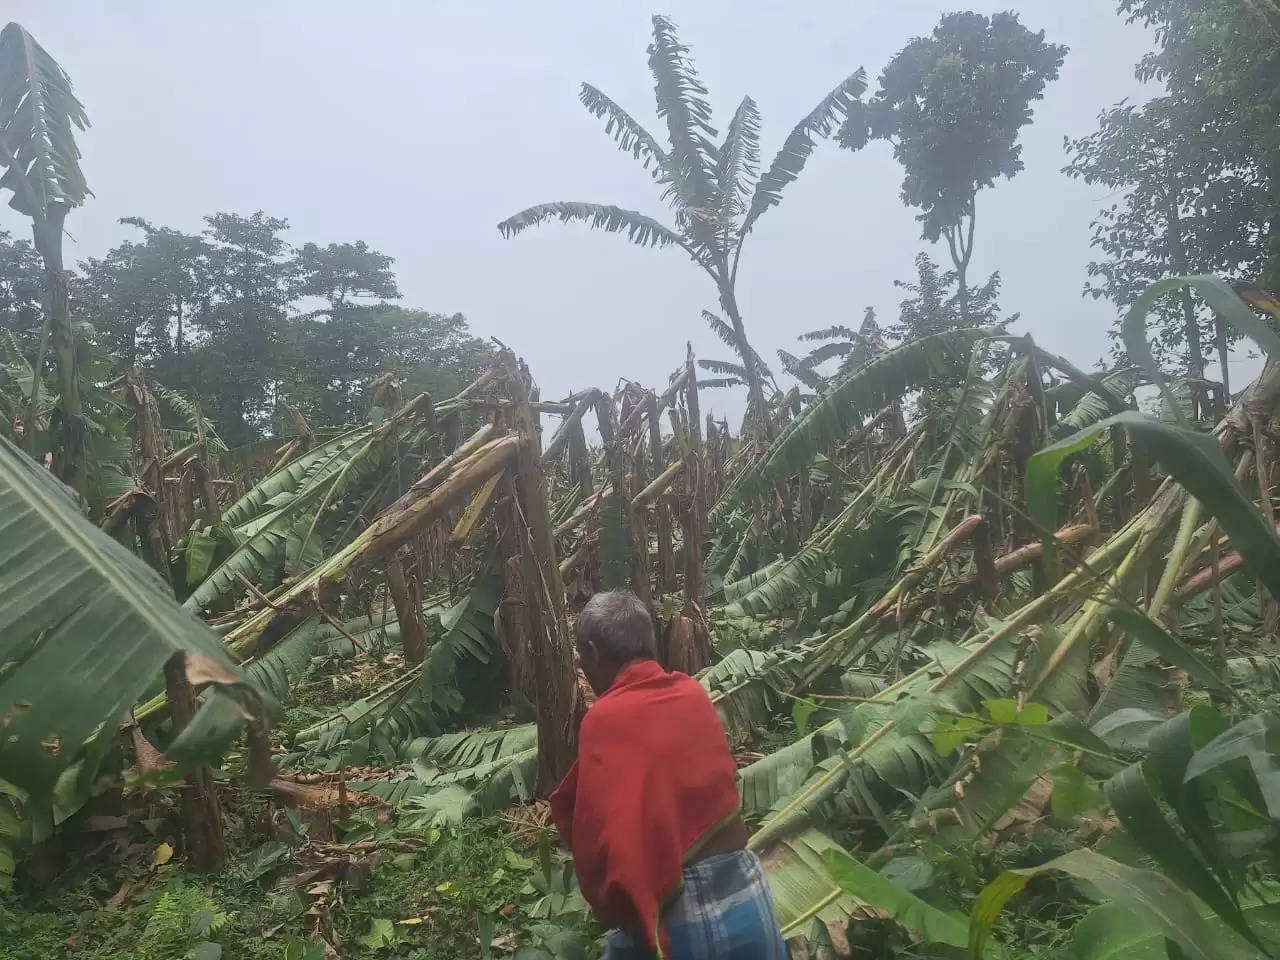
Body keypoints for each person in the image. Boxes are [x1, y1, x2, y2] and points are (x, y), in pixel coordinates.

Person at [549, 590, 787, 959]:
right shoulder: (691, 692)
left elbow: (601, 839)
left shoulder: (604, 718)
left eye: (582, 656)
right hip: (752, 904)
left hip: (682, 926)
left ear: (593, 653)